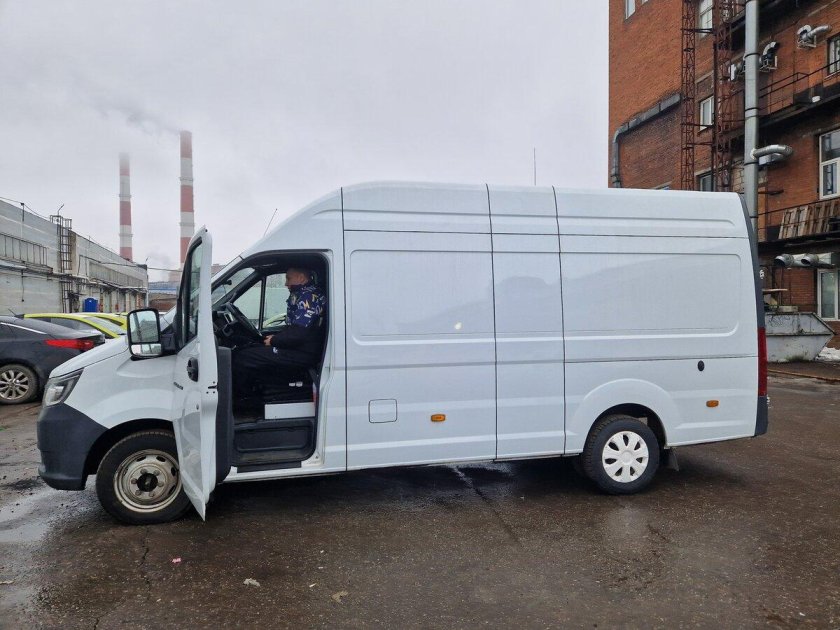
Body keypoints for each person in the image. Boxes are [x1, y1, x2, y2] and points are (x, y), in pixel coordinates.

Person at [232, 267, 326, 395]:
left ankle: (244, 399)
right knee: (250, 348)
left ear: (301, 278)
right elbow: (296, 328)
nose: (286, 283)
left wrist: (274, 340)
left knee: (243, 357)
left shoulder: (308, 297)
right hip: (301, 348)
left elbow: (297, 334)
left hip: (302, 353)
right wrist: (275, 338)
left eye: (288, 279)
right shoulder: (306, 293)